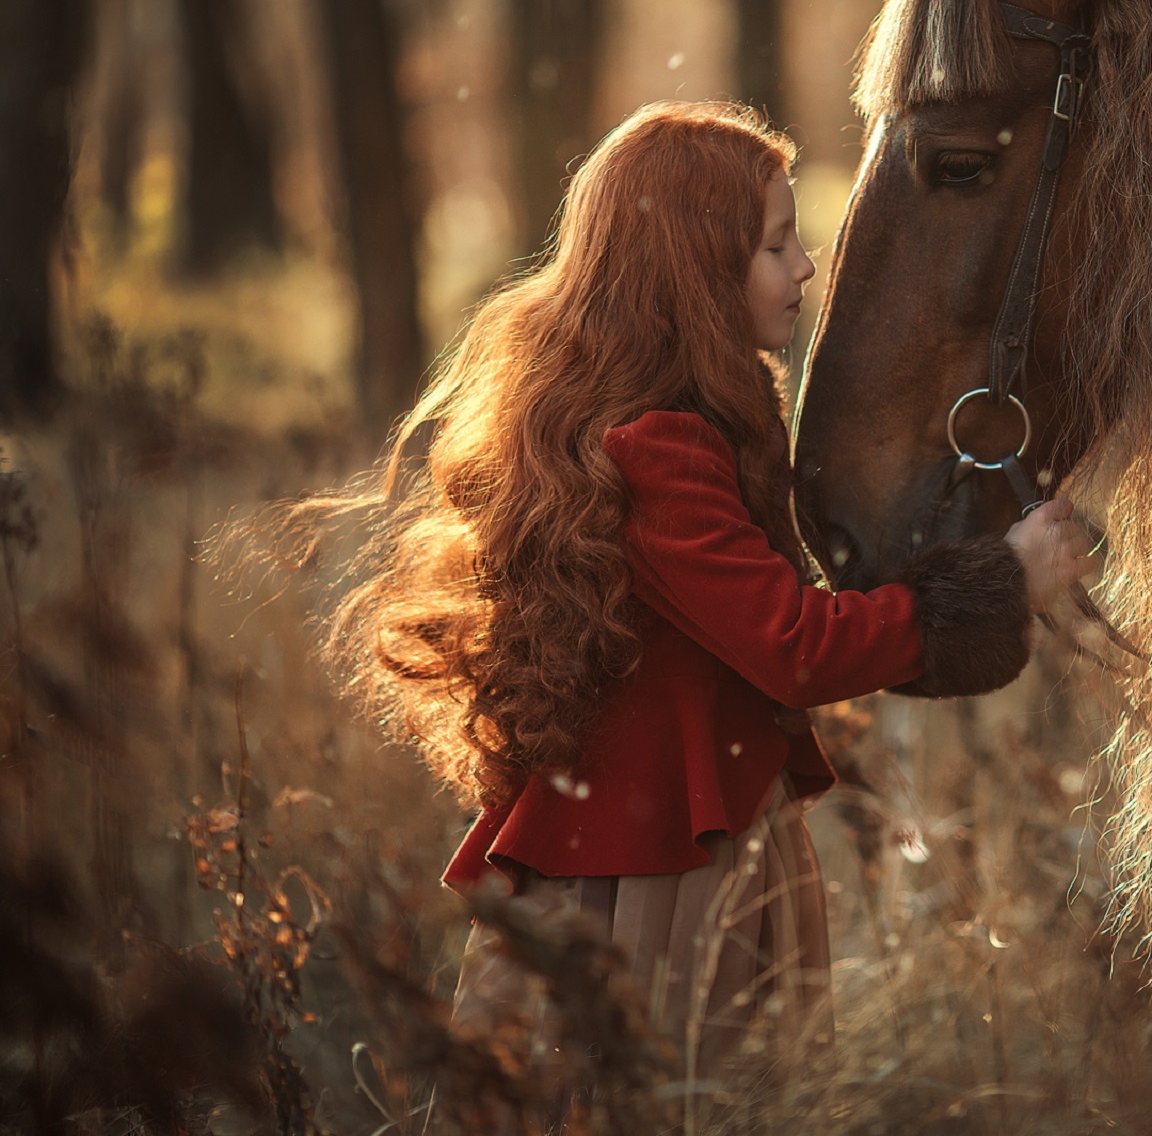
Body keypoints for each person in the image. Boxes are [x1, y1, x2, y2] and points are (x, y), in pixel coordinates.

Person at [320, 101, 1090, 1098]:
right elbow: (794, 646)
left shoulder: (671, 426)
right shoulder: (661, 446)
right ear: (696, 268)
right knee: (672, 1096)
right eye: (777, 244)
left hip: (665, 848)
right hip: (661, 876)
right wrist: (1004, 583)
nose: (806, 269)